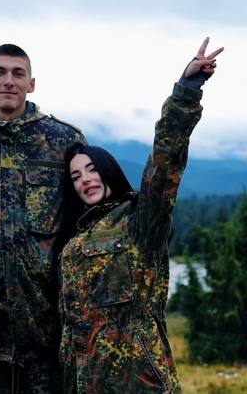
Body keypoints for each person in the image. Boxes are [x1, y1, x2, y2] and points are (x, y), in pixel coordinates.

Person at [59, 38, 223, 393]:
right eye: (76, 176)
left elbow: (164, 164)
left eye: (92, 169)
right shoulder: (73, 242)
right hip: (83, 383)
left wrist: (186, 91)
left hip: (138, 381)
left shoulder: (139, 221)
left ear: (109, 170)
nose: (85, 180)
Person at [0, 44, 86, 393]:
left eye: (18, 73)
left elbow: (85, 219)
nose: (8, 80)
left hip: (46, 324)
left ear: (31, 84)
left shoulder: (64, 141)